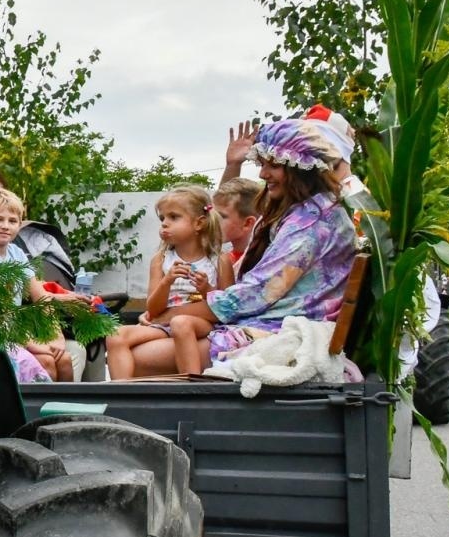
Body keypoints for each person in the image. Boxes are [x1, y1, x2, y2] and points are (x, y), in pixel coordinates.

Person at [125, 117, 356, 376]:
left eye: (273, 165)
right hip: (268, 322)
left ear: (301, 167)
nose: (263, 174)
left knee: (138, 356)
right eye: (262, 164)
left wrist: (165, 315)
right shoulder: (306, 212)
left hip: (277, 329)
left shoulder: (310, 224)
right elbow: (218, 214)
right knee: (143, 344)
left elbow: (255, 293)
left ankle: (191, 399)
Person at [105, 185, 230, 379]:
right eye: (162, 218)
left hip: (201, 324)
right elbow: (153, 309)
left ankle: (192, 384)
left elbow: (227, 308)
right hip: (163, 323)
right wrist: (167, 281)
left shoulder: (218, 260)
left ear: (199, 223)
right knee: (116, 335)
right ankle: (123, 391)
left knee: (181, 323)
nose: (164, 224)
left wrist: (206, 289)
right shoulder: (161, 260)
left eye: (174, 217)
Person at [0, 189, 68, 381]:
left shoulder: (16, 253)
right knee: (46, 362)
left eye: (12, 221)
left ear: (19, 224)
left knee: (64, 360)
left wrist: (56, 335)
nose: (5, 226)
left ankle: (70, 400)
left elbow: (40, 296)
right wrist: (31, 342)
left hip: (15, 330)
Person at [213, 177, 263, 271]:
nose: (212, 221)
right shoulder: (222, 260)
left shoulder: (263, 264)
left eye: (220, 216)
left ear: (247, 223)